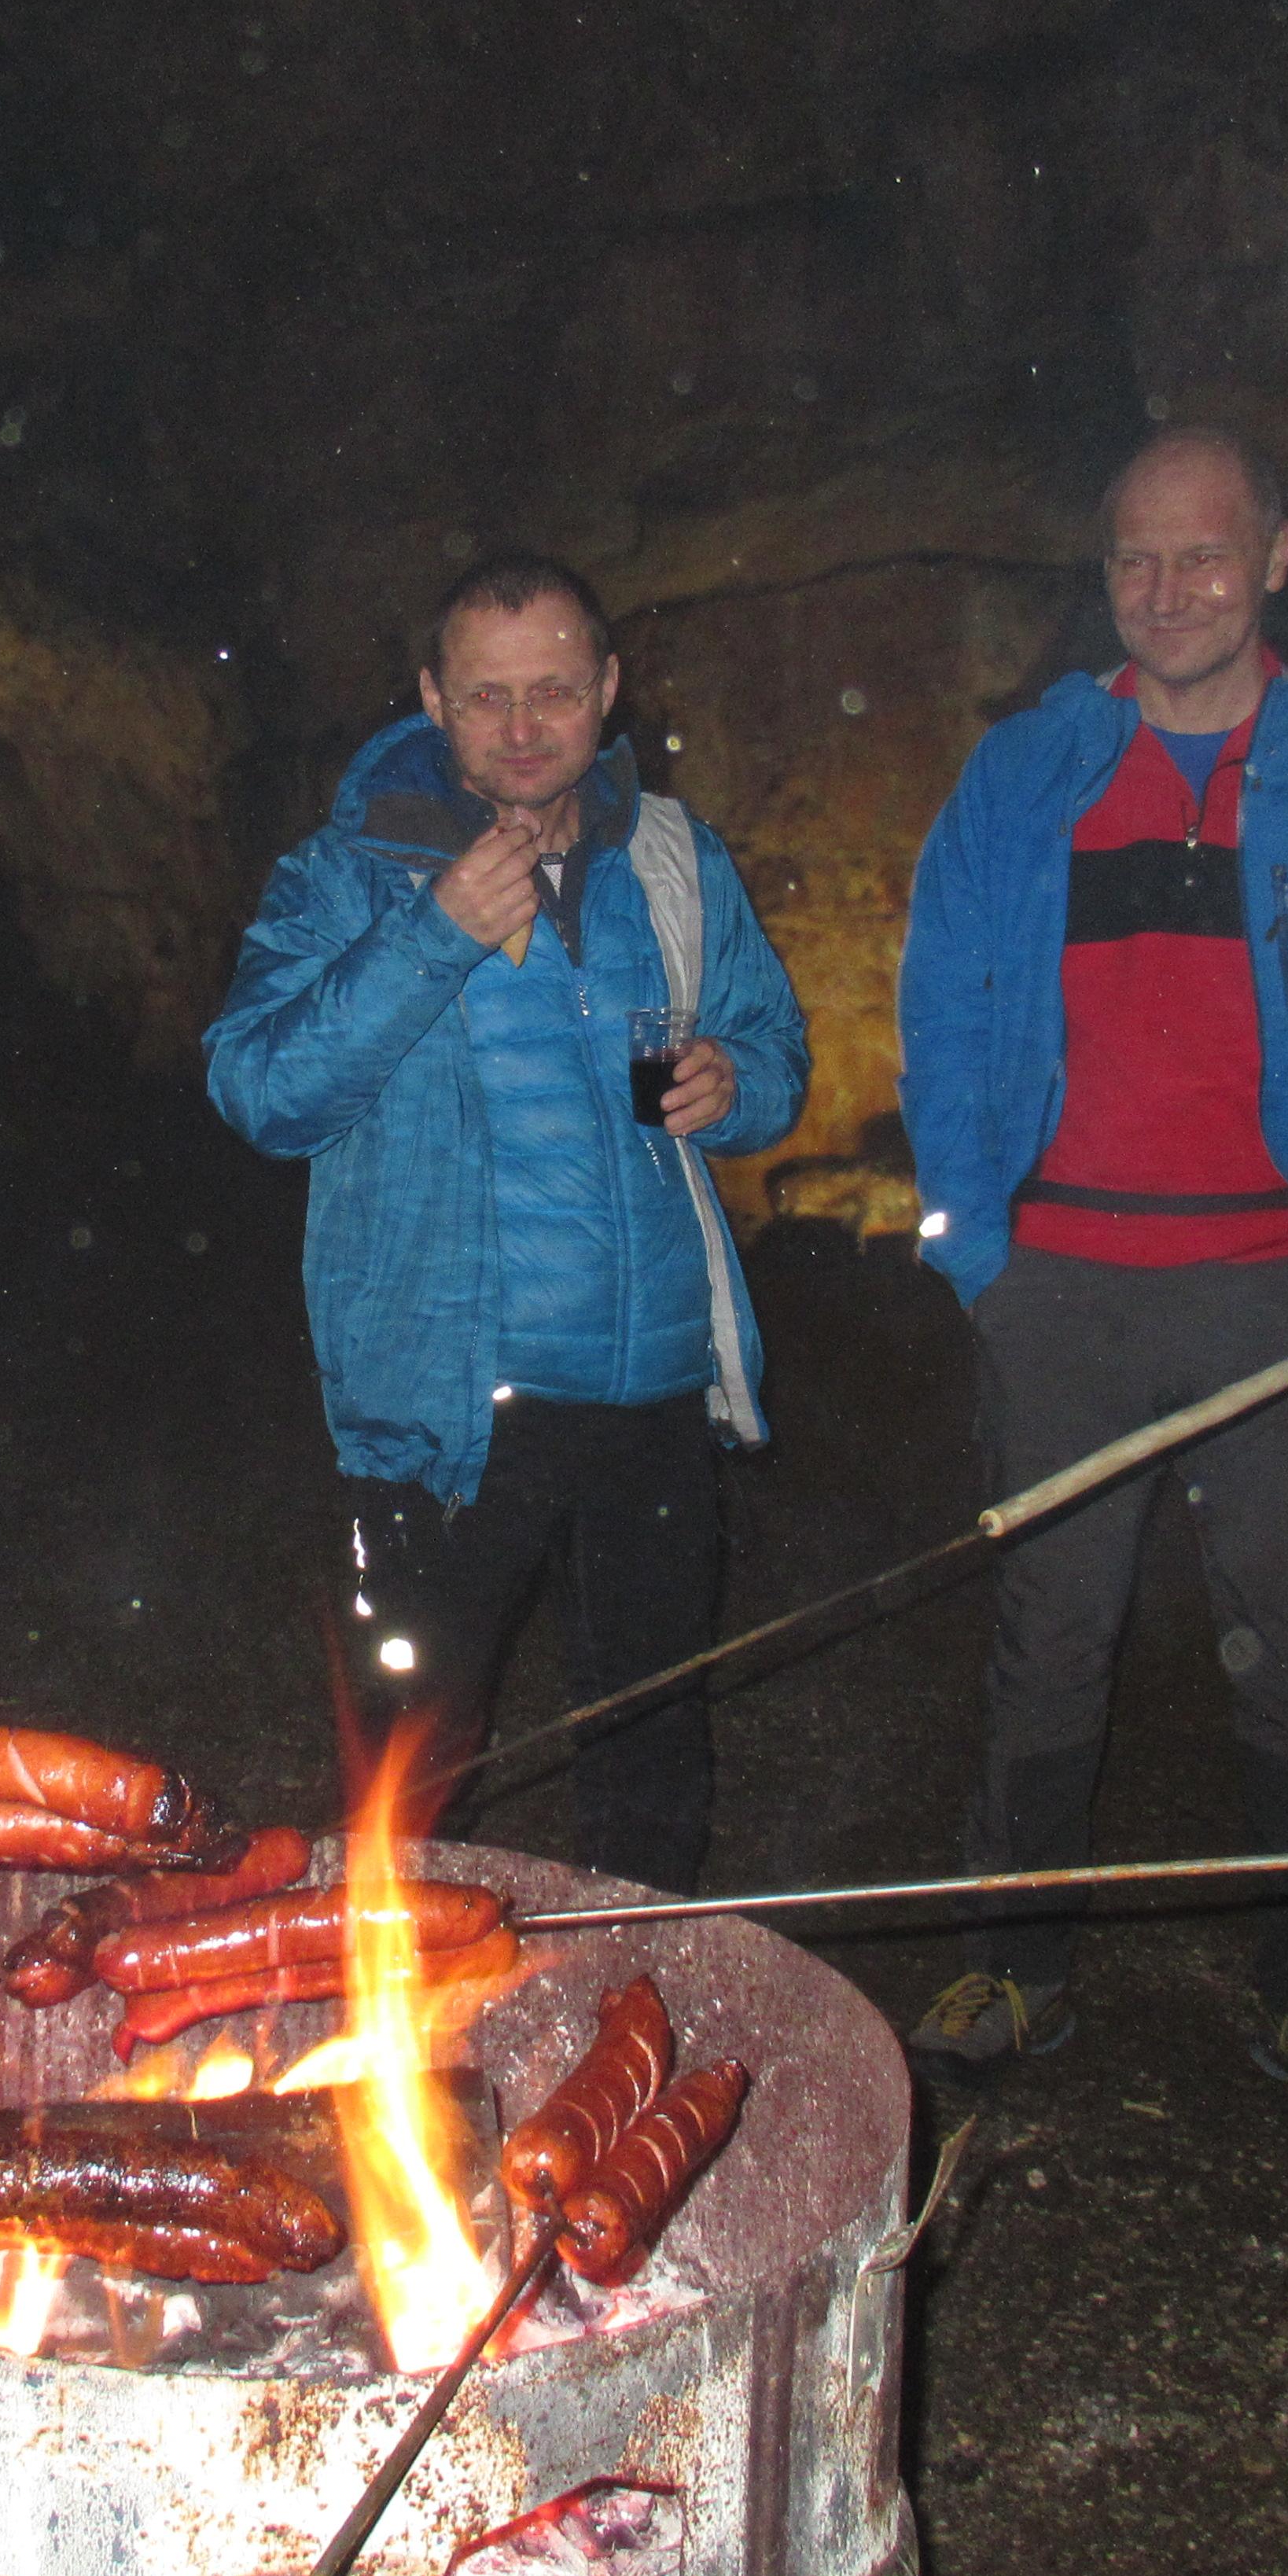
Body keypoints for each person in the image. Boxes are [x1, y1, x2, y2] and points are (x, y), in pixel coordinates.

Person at [896, 427, 1288, 2108]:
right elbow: (945, 1002)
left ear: (1277, 558)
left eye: (1206, 555)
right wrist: (977, 1245)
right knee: (1049, 1635)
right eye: (1137, 560)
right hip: (1065, 1286)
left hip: (1284, 1291)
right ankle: (1016, 1964)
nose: (1169, 593)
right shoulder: (1029, 771)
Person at [204, 554, 807, 1890]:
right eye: (487, 696)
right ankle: (386, 1997)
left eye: (554, 691)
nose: (524, 727)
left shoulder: (672, 858)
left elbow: (771, 1044)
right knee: (412, 1761)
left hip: (654, 1386)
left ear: (607, 688)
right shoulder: (348, 876)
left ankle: (633, 1979)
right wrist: (434, 934)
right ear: (432, 697)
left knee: (651, 1738)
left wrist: (739, 1083)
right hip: (454, 1406)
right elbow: (260, 1092)